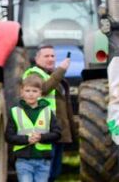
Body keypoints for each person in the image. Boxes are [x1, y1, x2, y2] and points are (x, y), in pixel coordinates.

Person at [23, 45, 75, 182]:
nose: (50, 59)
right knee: (43, 173)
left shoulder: (50, 75)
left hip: (56, 131)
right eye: (46, 56)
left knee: (54, 173)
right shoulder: (33, 74)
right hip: (43, 131)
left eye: (53, 56)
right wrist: (62, 69)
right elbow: (44, 89)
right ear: (37, 59)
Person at [5, 74, 61, 182]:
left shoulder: (47, 111)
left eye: (34, 91)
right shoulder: (15, 112)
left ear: (40, 93)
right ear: (22, 92)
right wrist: (26, 139)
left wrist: (41, 137)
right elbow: (8, 137)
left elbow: (57, 134)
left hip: (43, 160)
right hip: (23, 160)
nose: (31, 94)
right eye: (28, 91)